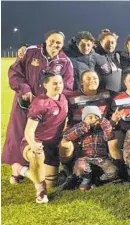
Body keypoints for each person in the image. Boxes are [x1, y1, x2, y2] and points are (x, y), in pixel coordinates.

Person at [5, 30, 74, 185]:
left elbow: (67, 86)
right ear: (45, 40)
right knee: (18, 135)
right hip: (25, 104)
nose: (55, 45)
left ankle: (43, 168)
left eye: (58, 43)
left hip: (49, 109)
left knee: (43, 137)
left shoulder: (64, 61)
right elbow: (15, 72)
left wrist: (57, 103)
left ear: (62, 45)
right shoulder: (31, 52)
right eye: (52, 41)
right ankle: (17, 171)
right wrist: (25, 89)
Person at [59, 71, 119, 189]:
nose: (92, 80)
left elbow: (127, 92)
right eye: (88, 78)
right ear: (81, 82)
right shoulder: (72, 97)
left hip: (100, 132)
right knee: (65, 143)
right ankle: (70, 173)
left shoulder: (106, 94)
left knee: (114, 141)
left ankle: (116, 170)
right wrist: (82, 125)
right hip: (78, 134)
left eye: (95, 78)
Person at [20, 73, 69, 203]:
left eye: (60, 82)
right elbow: (29, 130)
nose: (58, 85)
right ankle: (40, 192)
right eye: (54, 83)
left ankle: (24, 170)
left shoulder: (63, 98)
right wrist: (34, 145)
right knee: (37, 155)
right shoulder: (40, 103)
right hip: (36, 142)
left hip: (53, 144)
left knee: (51, 183)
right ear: (45, 85)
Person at [62, 106, 118, 191]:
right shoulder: (80, 128)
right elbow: (67, 136)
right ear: (84, 119)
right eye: (90, 117)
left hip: (101, 158)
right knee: (81, 168)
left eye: (96, 117)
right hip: (84, 158)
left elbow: (109, 135)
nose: (93, 119)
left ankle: (98, 180)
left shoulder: (102, 128)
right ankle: (85, 181)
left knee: (113, 171)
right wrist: (84, 125)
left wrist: (103, 122)